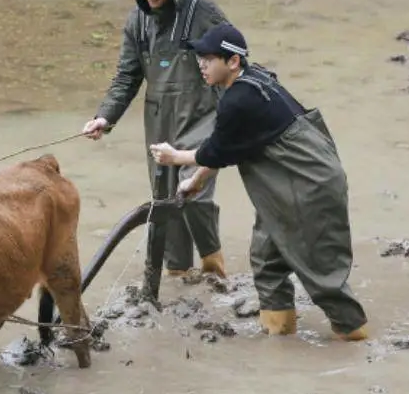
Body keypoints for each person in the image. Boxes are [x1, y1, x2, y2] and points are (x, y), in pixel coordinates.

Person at [148, 23, 369, 341]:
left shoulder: (240, 99)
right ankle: (279, 340)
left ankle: (356, 341)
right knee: (266, 260)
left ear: (233, 62)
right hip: (285, 189)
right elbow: (230, 144)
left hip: (307, 186)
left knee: (322, 274)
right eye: (200, 58)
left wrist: (175, 157)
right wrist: (196, 180)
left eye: (209, 59)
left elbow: (215, 150)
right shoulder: (251, 84)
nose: (201, 65)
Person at [82, 0, 230, 279]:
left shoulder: (201, 10)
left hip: (201, 115)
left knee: (193, 190)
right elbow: (127, 76)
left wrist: (235, 111)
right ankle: (177, 273)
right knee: (164, 201)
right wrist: (105, 117)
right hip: (159, 120)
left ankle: (213, 263)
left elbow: (234, 56)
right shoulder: (137, 21)